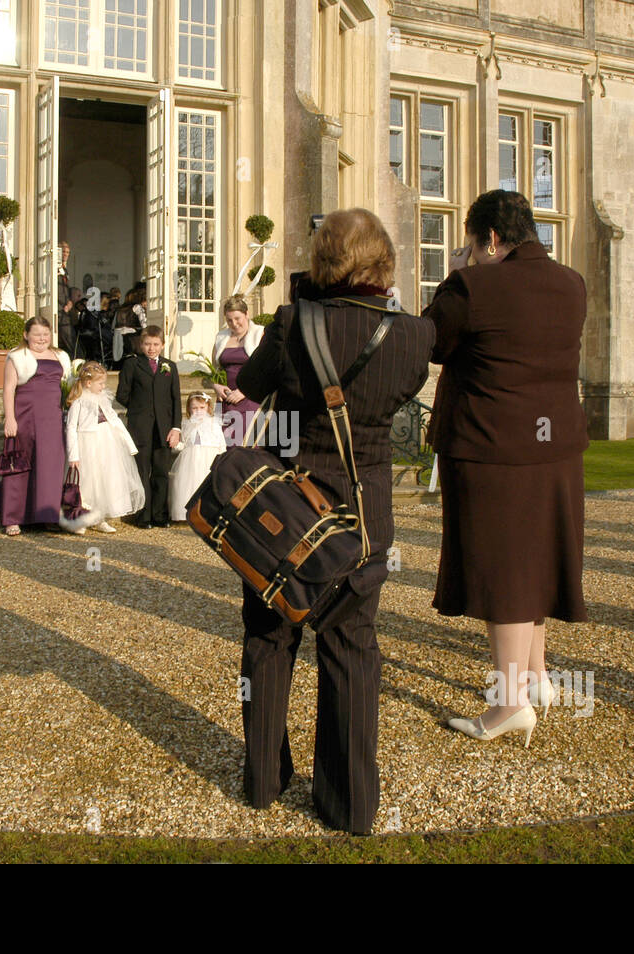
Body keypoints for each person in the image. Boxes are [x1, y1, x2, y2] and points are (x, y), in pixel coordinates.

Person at [236, 207, 434, 834]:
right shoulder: (411, 335)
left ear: (322, 262)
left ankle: (264, 780)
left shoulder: (295, 321)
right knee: (352, 647)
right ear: (383, 262)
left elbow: (249, 380)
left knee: (270, 636)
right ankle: (348, 802)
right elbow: (400, 393)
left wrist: (302, 307)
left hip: (286, 507)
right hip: (362, 510)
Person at [425, 189, 589, 747]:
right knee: (538, 559)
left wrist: (454, 278)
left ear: (489, 239)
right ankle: (537, 677)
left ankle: (509, 703)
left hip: (494, 445)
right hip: (557, 443)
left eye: (472, 245)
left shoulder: (473, 285)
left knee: (505, 574)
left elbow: (432, 340)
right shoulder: (573, 284)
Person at [0, 316, 70, 535]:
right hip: (25, 415)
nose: (42, 339)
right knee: (20, 465)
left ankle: (47, 515)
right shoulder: (17, 356)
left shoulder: (60, 355)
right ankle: (12, 518)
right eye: (37, 334)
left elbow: (67, 386)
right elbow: (8, 389)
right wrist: (10, 419)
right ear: (26, 335)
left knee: (50, 465)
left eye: (45, 334)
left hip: (52, 418)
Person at [62, 361, 144, 534]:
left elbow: (115, 421)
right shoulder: (79, 402)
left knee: (105, 479)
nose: (103, 386)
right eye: (101, 383)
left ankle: (100, 517)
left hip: (106, 443)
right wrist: (73, 455)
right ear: (88, 383)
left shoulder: (104, 400)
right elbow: (71, 428)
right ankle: (82, 517)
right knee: (87, 481)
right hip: (87, 445)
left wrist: (129, 444)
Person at [116, 325, 181, 529]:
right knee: (142, 470)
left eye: (155, 344)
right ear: (140, 344)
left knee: (161, 471)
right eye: (147, 344)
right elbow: (122, 394)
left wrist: (176, 428)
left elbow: (176, 400)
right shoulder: (132, 365)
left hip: (164, 428)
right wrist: (138, 409)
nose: (151, 348)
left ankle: (160, 515)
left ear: (162, 345)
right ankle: (143, 515)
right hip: (140, 426)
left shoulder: (170, 366)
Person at [211, 295, 265, 445]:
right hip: (225, 400)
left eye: (237, 318)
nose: (234, 324)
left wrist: (245, 391)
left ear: (247, 314)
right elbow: (213, 370)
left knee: (247, 445)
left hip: (251, 399)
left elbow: (268, 370)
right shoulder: (221, 337)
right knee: (226, 445)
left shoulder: (260, 334)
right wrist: (216, 386)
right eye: (229, 320)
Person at [168, 392, 227, 522]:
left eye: (202, 408)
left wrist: (221, 458)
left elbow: (221, 443)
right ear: (189, 409)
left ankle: (208, 514)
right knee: (188, 484)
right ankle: (187, 514)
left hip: (209, 458)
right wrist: (176, 445)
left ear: (208, 408)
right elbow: (184, 444)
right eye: (194, 408)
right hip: (190, 460)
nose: (198, 411)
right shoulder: (186, 424)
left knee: (206, 485)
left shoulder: (214, 423)